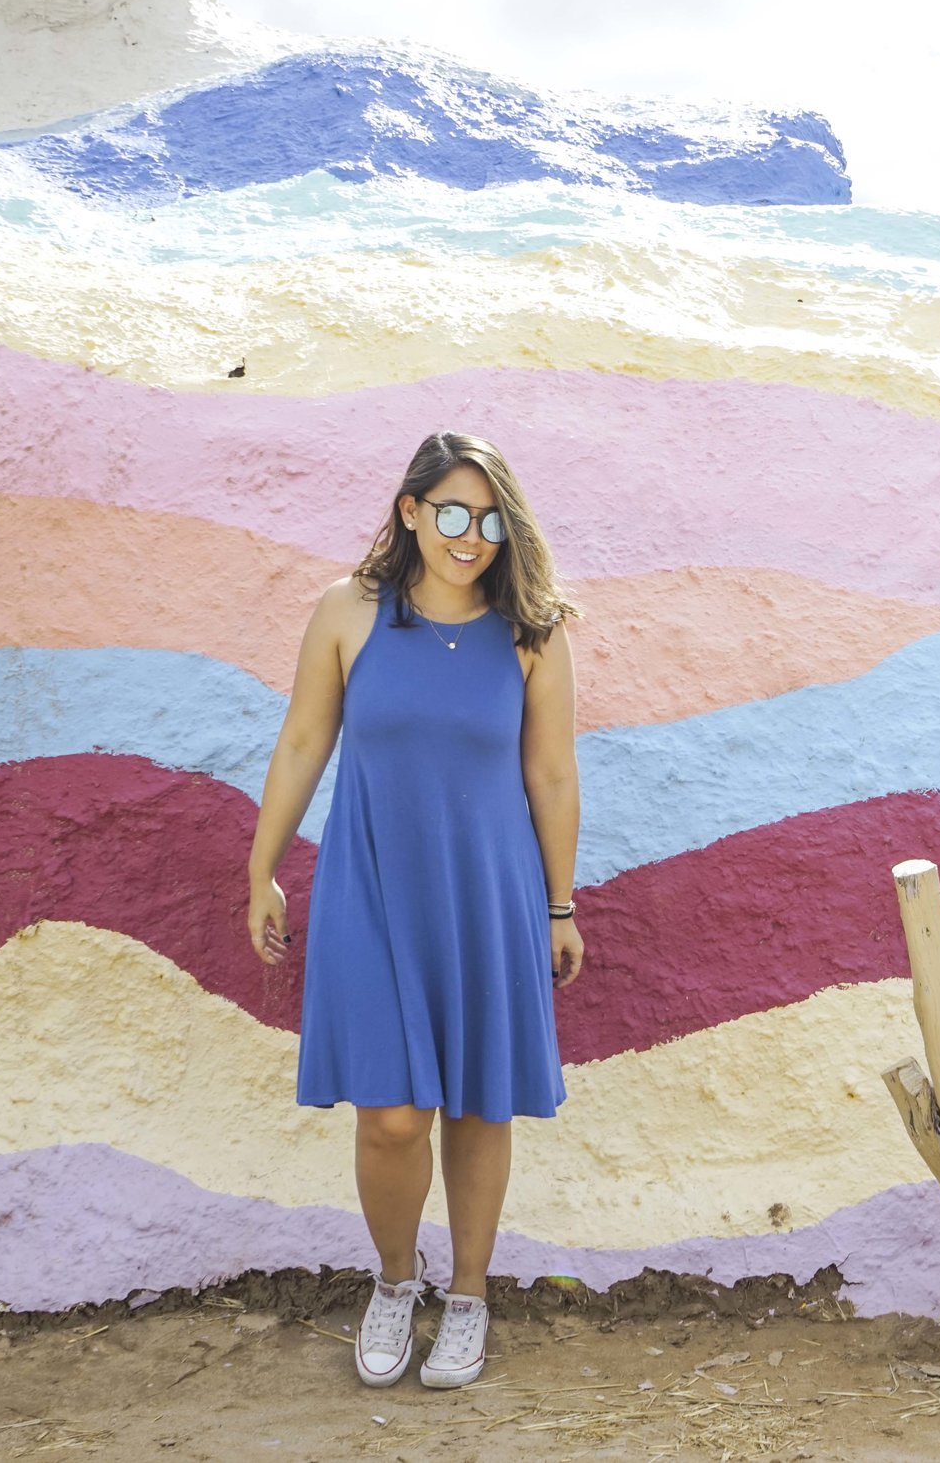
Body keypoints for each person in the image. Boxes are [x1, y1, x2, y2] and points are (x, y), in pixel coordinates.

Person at [245, 431, 584, 1390]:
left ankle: (468, 1297)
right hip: (374, 886)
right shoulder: (348, 613)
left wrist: (560, 906)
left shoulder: (535, 631)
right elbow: (306, 739)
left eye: (487, 519)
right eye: (450, 513)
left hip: (487, 893)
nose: (469, 536)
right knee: (391, 1117)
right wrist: (261, 868)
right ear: (409, 512)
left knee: (478, 1104)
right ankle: (399, 1281)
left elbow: (552, 776)